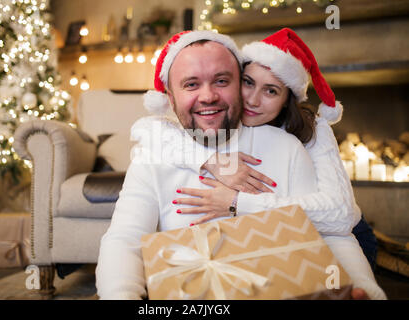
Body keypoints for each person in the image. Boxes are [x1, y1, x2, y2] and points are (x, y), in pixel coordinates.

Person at [95, 30, 385, 300]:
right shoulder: (155, 151)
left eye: (221, 81)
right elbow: (124, 240)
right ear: (170, 97)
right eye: (191, 84)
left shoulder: (289, 145)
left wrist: (361, 287)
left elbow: (332, 233)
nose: (208, 96)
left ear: (237, 83)